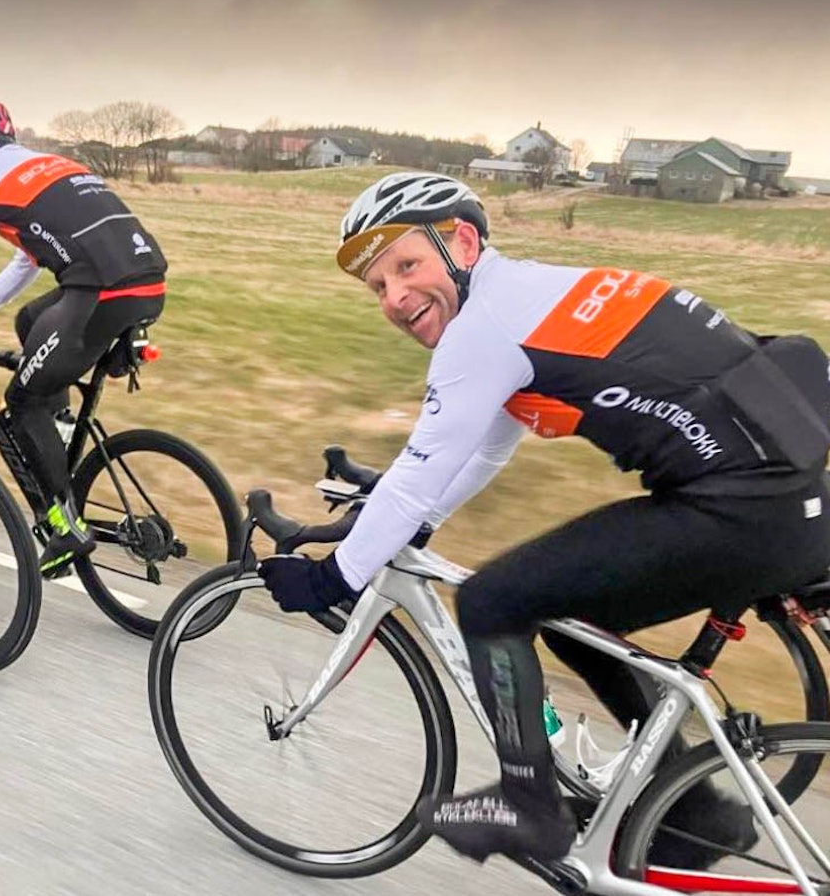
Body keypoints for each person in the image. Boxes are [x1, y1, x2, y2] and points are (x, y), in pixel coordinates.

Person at [257, 172, 830, 865]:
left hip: (740, 506)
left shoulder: (484, 328)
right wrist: (403, 513)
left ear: (462, 241)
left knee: (493, 602)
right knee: (572, 618)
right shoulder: (530, 294)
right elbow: (479, 449)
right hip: (786, 497)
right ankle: (693, 813)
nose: (396, 297)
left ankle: (531, 808)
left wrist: (331, 582)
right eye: (378, 286)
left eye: (406, 266)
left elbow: (422, 471)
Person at [0, 101, 168, 577]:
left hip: (101, 293)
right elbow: (27, 260)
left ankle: (64, 524)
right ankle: (57, 431)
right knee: (31, 322)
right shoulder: (48, 166)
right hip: (146, 283)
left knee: (21, 401)